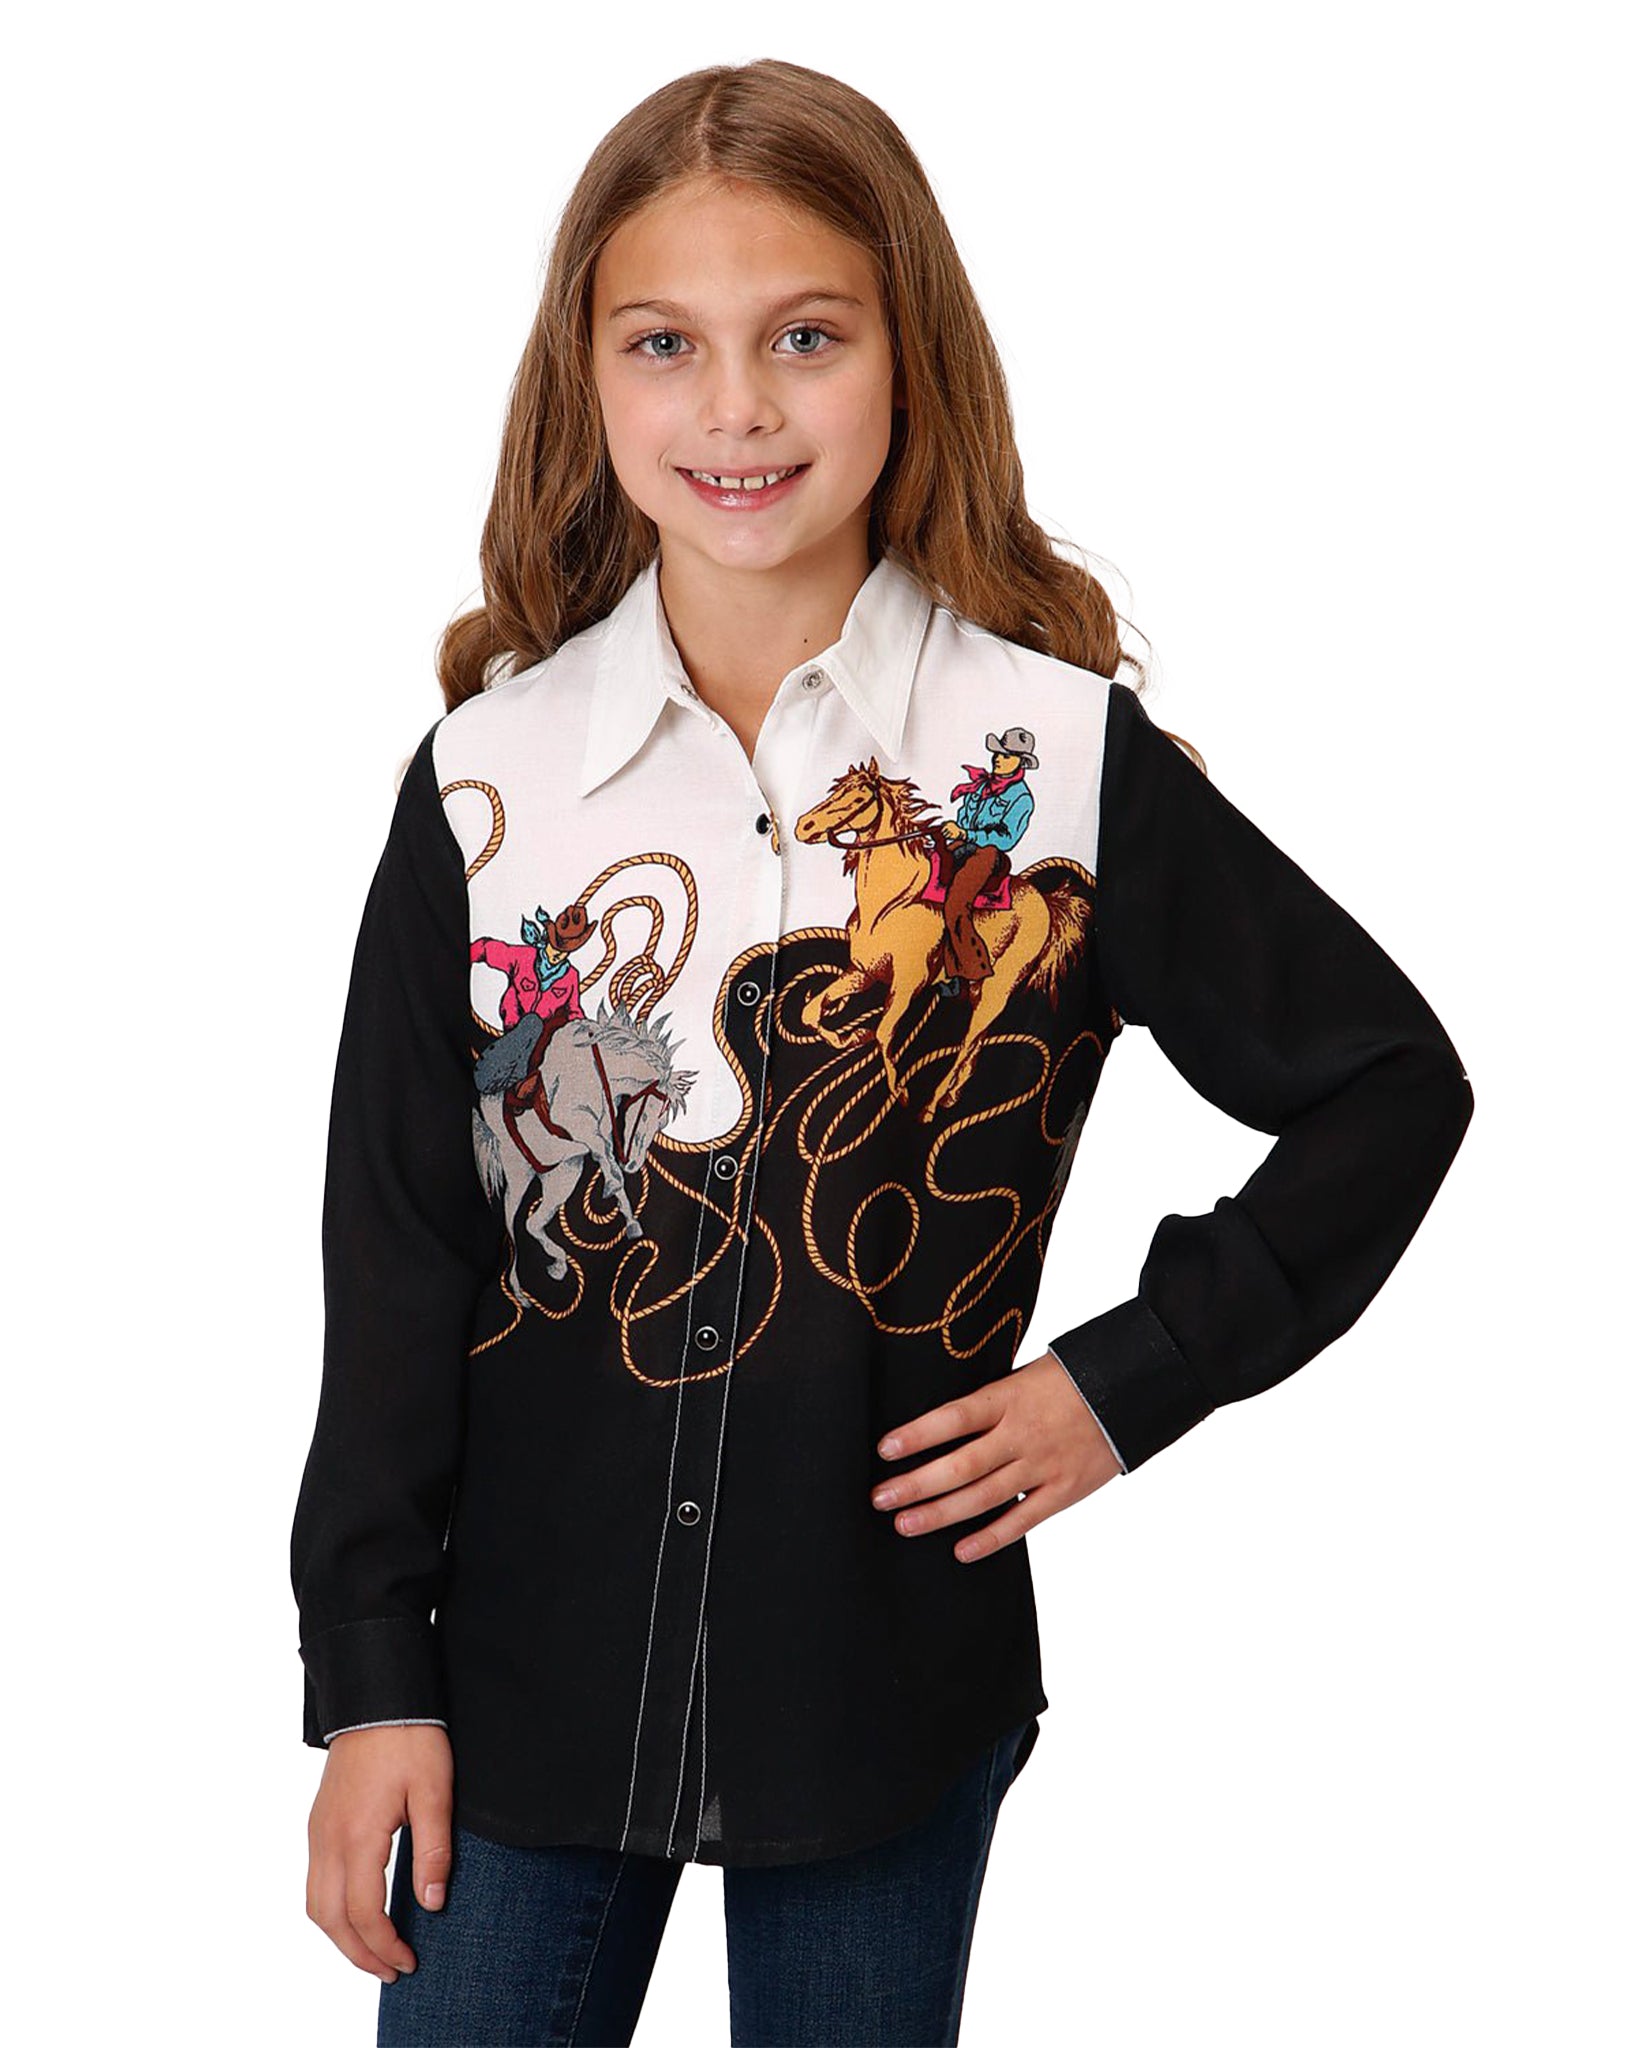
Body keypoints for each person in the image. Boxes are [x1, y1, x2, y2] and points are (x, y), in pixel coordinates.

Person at [290, 57, 1475, 2048]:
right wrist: (367, 1677)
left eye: (805, 337)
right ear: (587, 377)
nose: (735, 408)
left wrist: (1123, 1386)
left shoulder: (1057, 763)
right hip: (516, 1686)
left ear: (906, 353)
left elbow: (1387, 1084)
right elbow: (400, 1249)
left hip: (881, 1683)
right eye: (665, 342)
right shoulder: (487, 778)